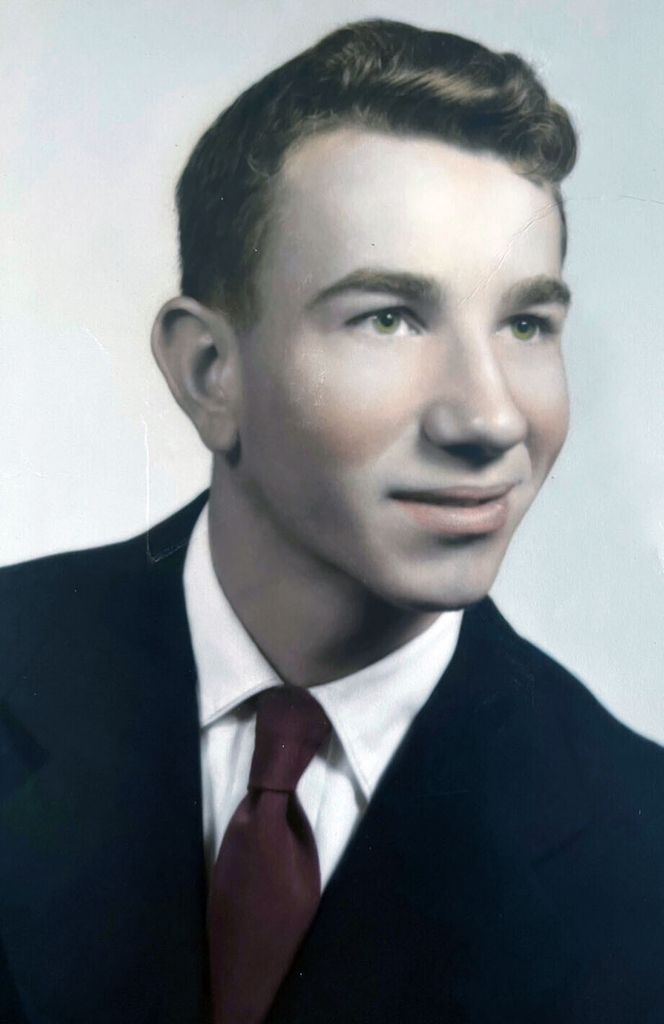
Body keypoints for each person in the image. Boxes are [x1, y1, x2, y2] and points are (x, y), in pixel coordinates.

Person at [1, 17, 663, 1024]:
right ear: (208, 372)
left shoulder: (640, 851)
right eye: (388, 317)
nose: (490, 418)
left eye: (527, 324)